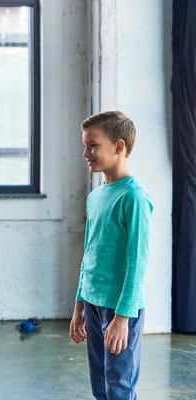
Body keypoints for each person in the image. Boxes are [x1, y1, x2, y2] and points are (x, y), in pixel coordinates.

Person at [70, 111, 153, 400]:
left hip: (120, 309)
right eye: (85, 146)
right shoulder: (96, 196)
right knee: (100, 386)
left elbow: (137, 262)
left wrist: (122, 317)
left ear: (119, 147)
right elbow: (89, 253)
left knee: (119, 386)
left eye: (93, 145)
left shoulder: (134, 197)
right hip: (93, 303)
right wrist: (80, 304)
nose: (86, 153)